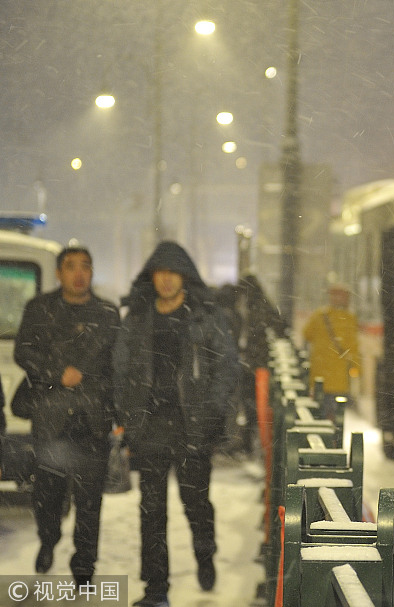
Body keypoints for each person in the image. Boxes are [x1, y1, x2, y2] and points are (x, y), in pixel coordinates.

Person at [113, 241, 239, 607]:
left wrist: (212, 410)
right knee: (151, 511)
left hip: (192, 426)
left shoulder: (205, 316)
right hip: (150, 427)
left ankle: (204, 552)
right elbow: (120, 370)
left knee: (195, 504)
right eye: (160, 272)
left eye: (173, 272)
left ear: (184, 276)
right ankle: (156, 589)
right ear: (151, 276)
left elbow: (226, 366)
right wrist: (128, 415)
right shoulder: (137, 318)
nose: (166, 279)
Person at [12, 246, 120, 588]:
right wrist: (57, 372)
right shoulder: (40, 309)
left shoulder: (107, 313)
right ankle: (48, 538)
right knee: (48, 494)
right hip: (51, 418)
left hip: (92, 419)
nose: (79, 273)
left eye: (85, 266)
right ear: (59, 273)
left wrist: (116, 408)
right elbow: (23, 352)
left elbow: (118, 364)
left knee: (90, 502)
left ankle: (84, 566)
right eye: (71, 267)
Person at [216, 274, 288, 456]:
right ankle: (249, 440)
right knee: (251, 403)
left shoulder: (253, 307)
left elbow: (273, 329)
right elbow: (280, 328)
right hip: (254, 363)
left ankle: (248, 441)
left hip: (254, 364)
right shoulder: (261, 306)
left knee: (250, 403)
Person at [302, 283, 359, 433]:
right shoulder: (349, 319)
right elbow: (353, 348)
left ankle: (322, 437)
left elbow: (306, 334)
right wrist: (356, 369)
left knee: (320, 414)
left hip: (319, 378)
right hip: (339, 380)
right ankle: (334, 439)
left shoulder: (319, 316)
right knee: (336, 416)